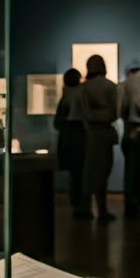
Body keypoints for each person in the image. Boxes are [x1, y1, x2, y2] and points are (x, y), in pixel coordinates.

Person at [79, 53, 119, 223]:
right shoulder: (110, 86)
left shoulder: (84, 88)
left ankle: (85, 209)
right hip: (105, 133)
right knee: (103, 172)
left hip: (91, 133)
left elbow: (83, 112)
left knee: (89, 172)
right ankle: (102, 211)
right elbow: (115, 112)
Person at [117, 59, 140, 218]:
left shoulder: (123, 86)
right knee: (136, 169)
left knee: (134, 169)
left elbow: (120, 109)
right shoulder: (132, 85)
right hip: (134, 131)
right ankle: (133, 204)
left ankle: (134, 203)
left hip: (131, 131)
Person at [53, 67, 88, 218]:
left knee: (76, 175)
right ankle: (81, 206)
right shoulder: (83, 95)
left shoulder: (66, 98)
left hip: (69, 137)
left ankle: (77, 205)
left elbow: (57, 123)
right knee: (81, 174)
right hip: (81, 137)